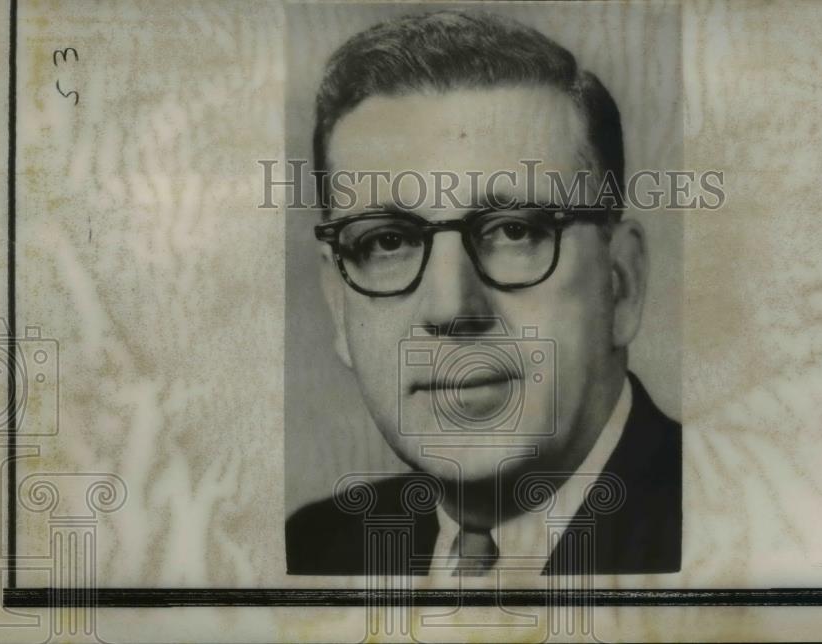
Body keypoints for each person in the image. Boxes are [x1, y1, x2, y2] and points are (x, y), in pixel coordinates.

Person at [287, 9, 680, 576]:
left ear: (621, 284)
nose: (451, 308)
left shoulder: (743, 532)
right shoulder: (312, 550)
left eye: (515, 231)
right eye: (388, 241)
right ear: (337, 303)